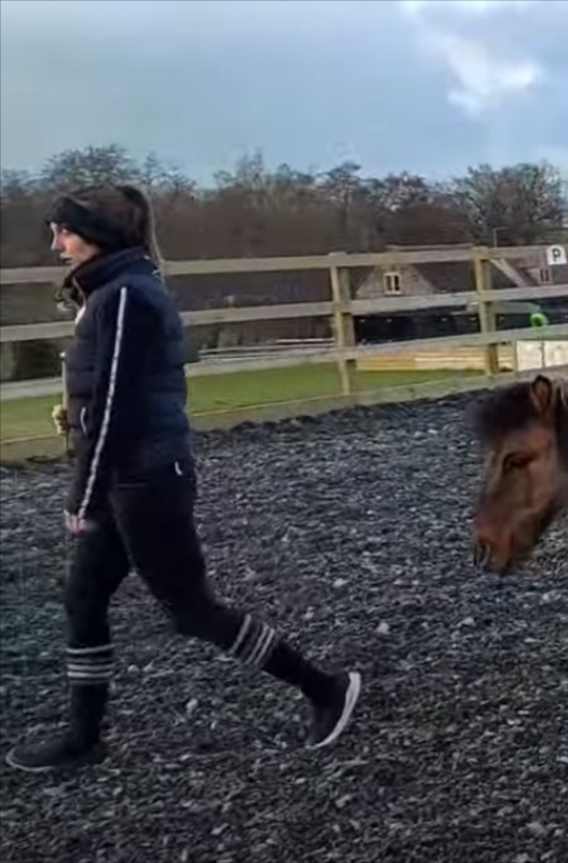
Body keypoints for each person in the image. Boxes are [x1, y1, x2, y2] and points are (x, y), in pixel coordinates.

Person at [6, 185, 362, 772]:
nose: (56, 244)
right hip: (129, 473)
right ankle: (83, 738)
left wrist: (83, 494)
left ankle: (325, 688)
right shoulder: (114, 293)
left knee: (192, 611)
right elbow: (104, 400)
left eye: (63, 231)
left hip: (145, 478)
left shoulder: (124, 299)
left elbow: (117, 405)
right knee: (84, 597)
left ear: (97, 235)